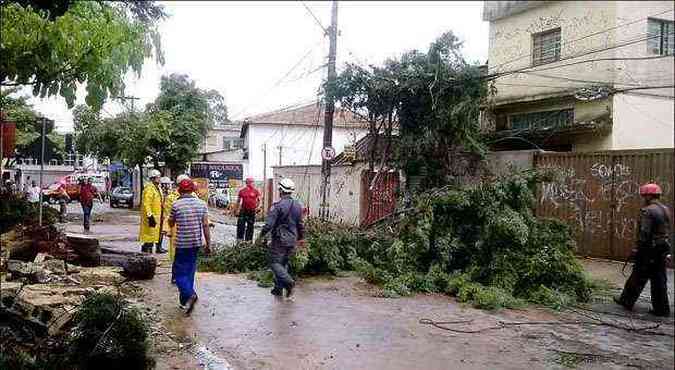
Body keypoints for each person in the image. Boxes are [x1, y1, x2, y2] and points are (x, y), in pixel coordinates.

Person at [615, 183, 673, 317]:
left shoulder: (647, 211)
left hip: (649, 249)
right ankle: (662, 309)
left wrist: (637, 249)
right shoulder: (666, 209)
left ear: (648, 195)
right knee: (659, 279)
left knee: (637, 275)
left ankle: (626, 301)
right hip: (662, 248)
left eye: (644, 195)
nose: (643, 197)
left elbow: (644, 233)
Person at [168, 177, 211, 315]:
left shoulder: (176, 205)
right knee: (190, 272)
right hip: (195, 244)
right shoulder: (202, 204)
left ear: (180, 190)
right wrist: (208, 244)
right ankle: (183, 301)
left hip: (182, 244)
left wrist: (171, 221)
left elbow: (171, 222)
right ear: (192, 190)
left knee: (179, 274)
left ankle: (190, 294)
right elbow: (205, 225)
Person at [257, 178, 305, 298]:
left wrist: (260, 236)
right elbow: (300, 225)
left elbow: (268, 225)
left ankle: (289, 282)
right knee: (284, 263)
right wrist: (301, 238)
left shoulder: (277, 206)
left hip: (280, 240)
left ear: (281, 190)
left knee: (274, 262)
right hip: (292, 239)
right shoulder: (298, 205)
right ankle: (278, 289)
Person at [139, 169, 166, 253]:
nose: (159, 179)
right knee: (149, 235)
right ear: (153, 178)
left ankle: (155, 248)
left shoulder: (157, 188)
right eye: (158, 177)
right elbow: (146, 203)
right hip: (152, 216)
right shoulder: (149, 189)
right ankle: (147, 250)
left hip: (158, 215)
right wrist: (149, 215)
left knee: (155, 234)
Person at [236, 177, 261, 241]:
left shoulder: (256, 191)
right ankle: (240, 240)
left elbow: (259, 200)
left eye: (253, 182)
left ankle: (248, 241)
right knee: (241, 226)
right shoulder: (242, 191)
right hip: (243, 211)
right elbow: (238, 201)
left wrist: (257, 207)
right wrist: (237, 210)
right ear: (247, 183)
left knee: (250, 226)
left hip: (252, 211)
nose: (253, 183)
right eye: (252, 182)